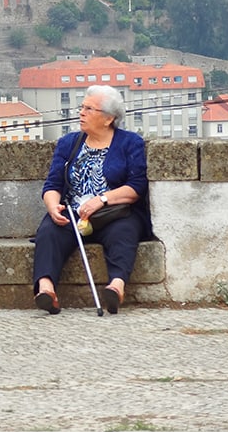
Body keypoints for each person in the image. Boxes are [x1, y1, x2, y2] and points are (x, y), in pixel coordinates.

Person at [31, 84, 151, 315]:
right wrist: (52, 205)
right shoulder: (69, 143)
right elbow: (53, 184)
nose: (81, 113)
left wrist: (102, 199)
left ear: (108, 119)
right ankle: (46, 289)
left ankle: (116, 286)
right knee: (49, 230)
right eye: (82, 107)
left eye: (89, 109)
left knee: (123, 232)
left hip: (114, 213)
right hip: (75, 211)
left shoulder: (130, 143)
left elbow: (136, 187)